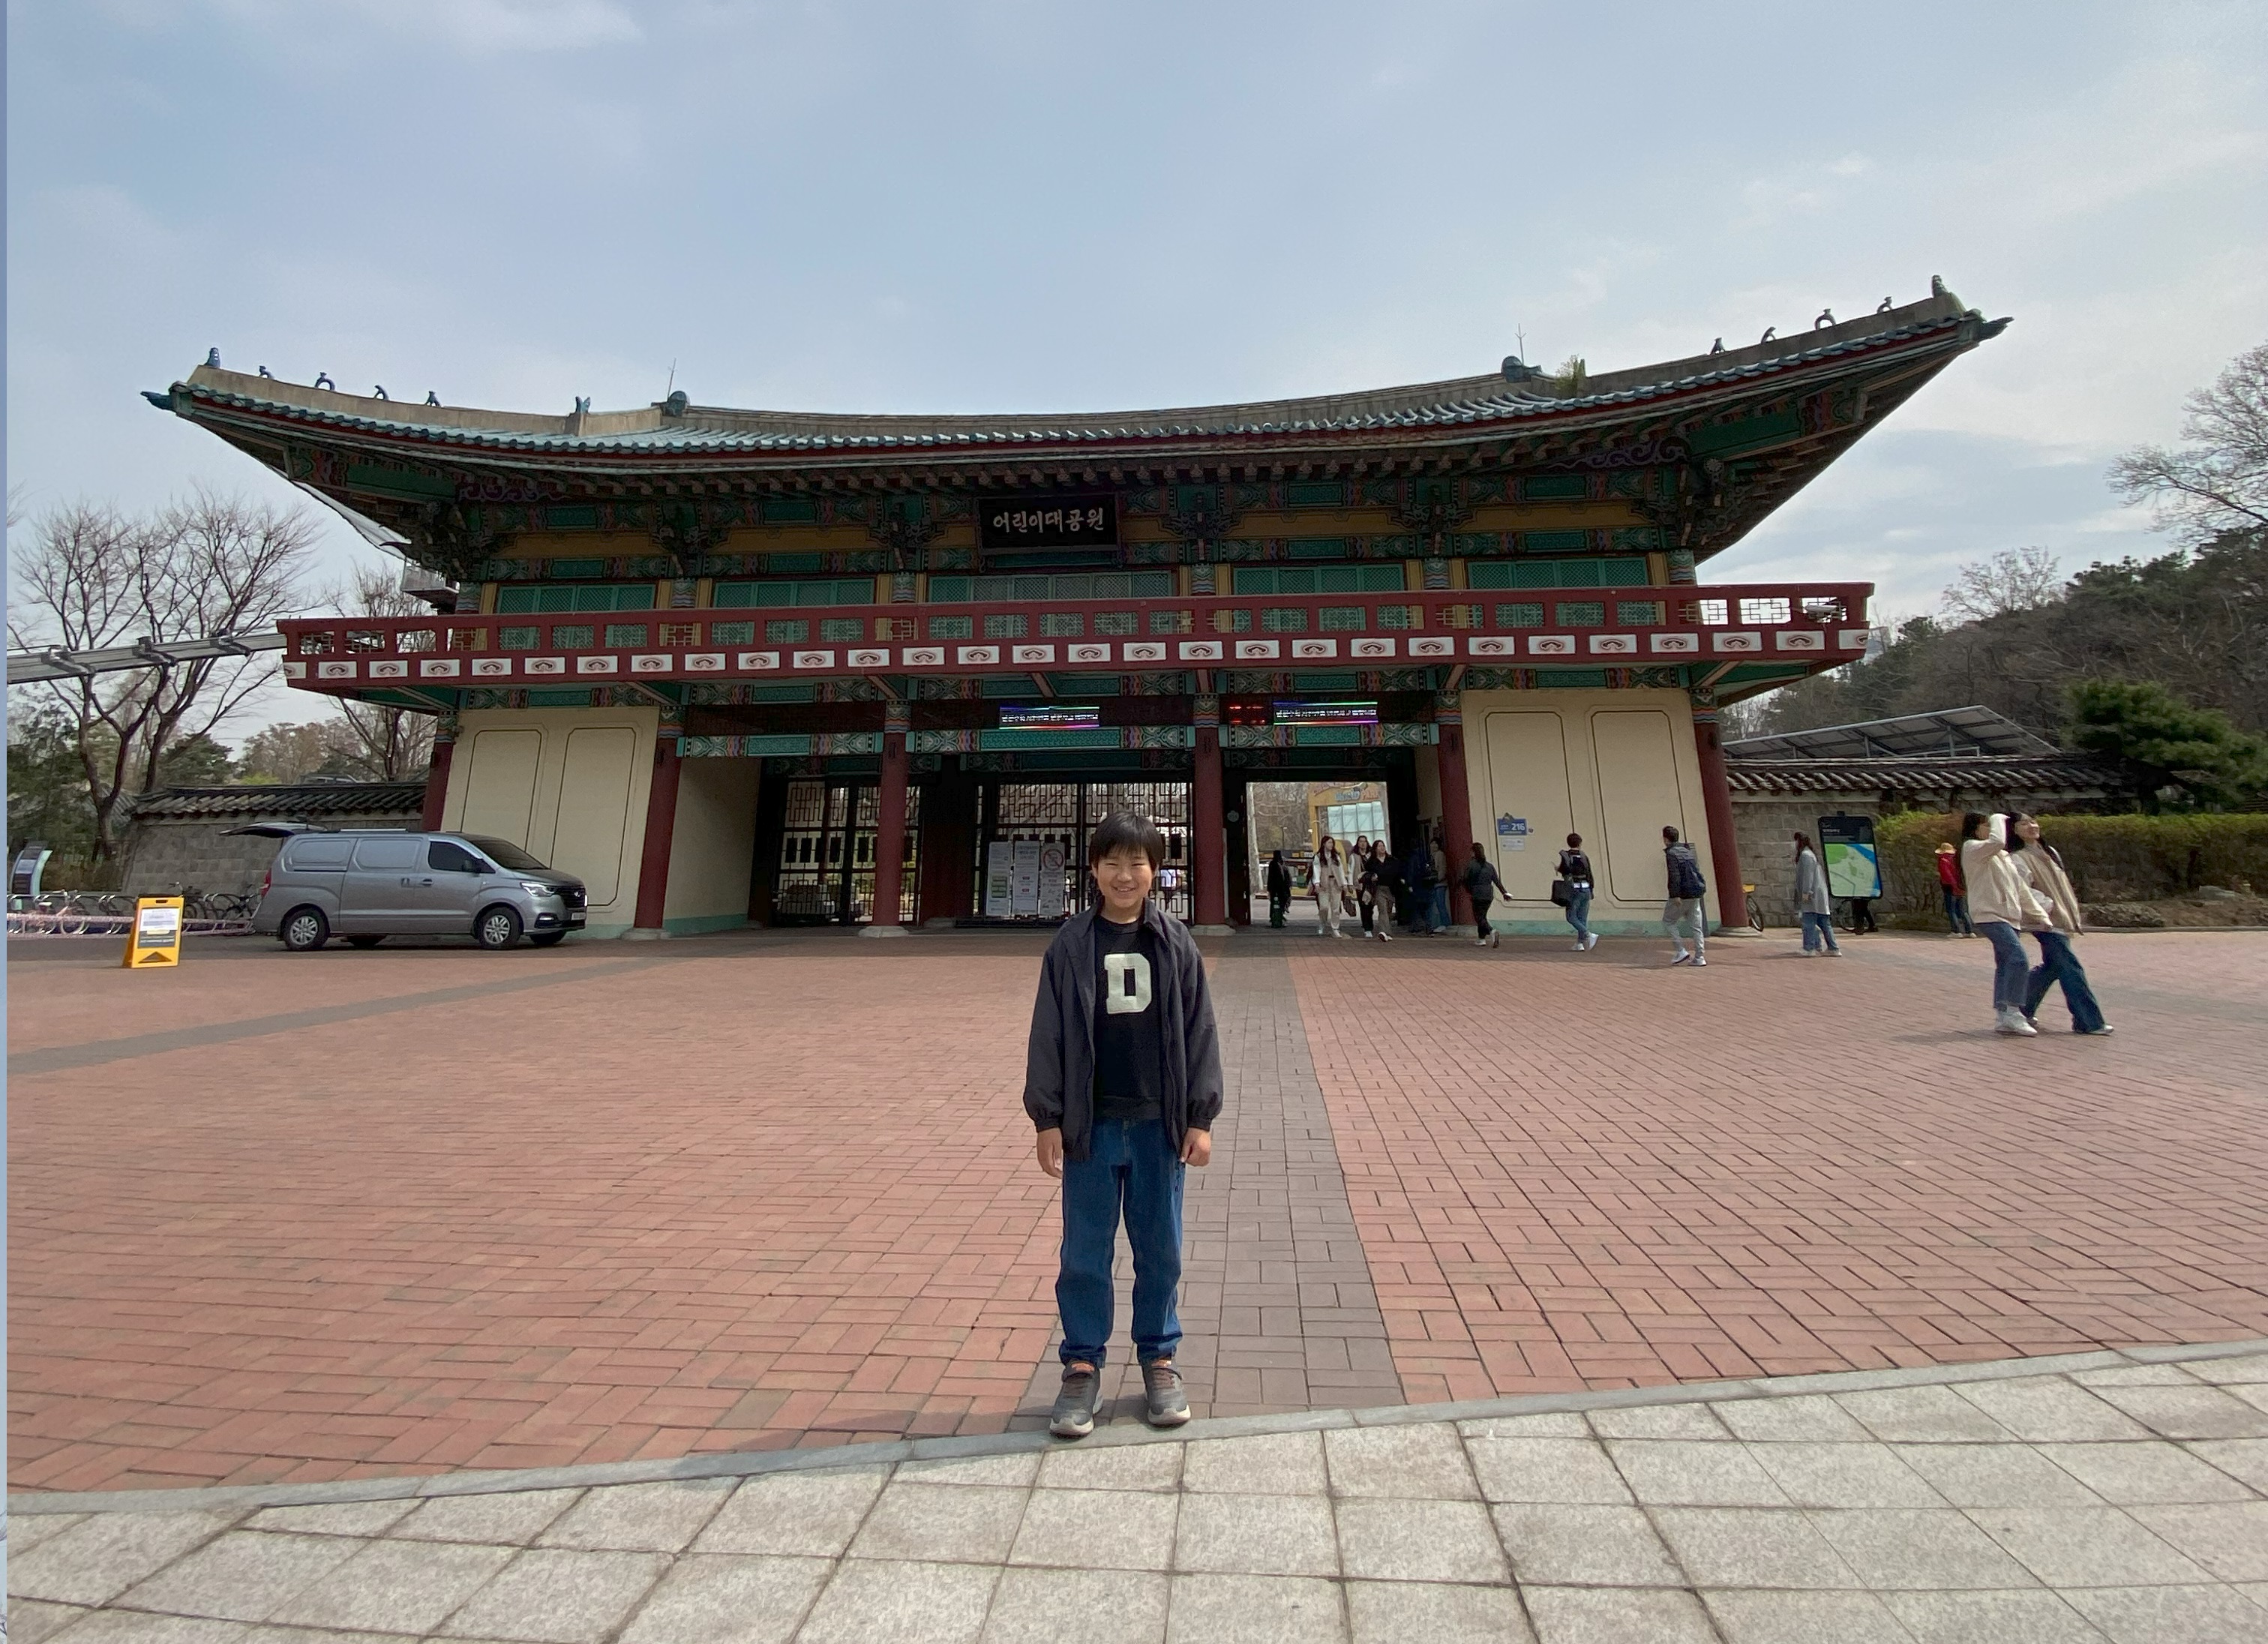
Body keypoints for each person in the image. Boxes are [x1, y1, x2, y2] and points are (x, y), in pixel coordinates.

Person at [1025, 812, 1223, 1438]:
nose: (1124, 874)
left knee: (1159, 1249)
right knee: (1084, 1252)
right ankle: (1081, 1365)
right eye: (1112, 862)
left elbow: (1200, 1031)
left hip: (1156, 1126)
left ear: (1156, 871)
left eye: (1138, 862)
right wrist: (1048, 1117)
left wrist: (1200, 1116)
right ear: (1093, 870)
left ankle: (1159, 1359)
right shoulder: (1071, 944)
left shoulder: (1173, 942)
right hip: (1091, 1126)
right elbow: (1048, 1035)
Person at [2009, 814, 2114, 1035]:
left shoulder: (2049, 852)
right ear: (2013, 831)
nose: (2031, 826)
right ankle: (2088, 1021)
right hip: (2046, 923)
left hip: (2061, 920)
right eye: (2023, 824)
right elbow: (2023, 890)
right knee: (2071, 969)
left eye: (2033, 821)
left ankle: (2019, 1010)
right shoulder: (2018, 858)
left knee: (2053, 968)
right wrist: (2046, 908)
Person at [1960, 811, 2053, 1037]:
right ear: (1975, 829)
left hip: (2010, 916)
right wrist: (1999, 818)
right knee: (2018, 958)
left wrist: (2040, 915)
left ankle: (2003, 1014)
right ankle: (2013, 1011)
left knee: (2005, 963)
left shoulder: (2002, 856)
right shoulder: (1972, 848)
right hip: (1989, 915)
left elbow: (2020, 890)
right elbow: (1998, 840)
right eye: (1986, 825)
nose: (1991, 829)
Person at [1661, 824, 1708, 966]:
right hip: (1696, 892)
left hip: (1682, 894)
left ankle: (1680, 950)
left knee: (1668, 921)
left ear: (1665, 839)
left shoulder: (1671, 854)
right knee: (1696, 926)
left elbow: (1674, 875)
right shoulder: (1687, 852)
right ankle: (1700, 957)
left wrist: (1675, 895)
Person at [1792, 831, 1843, 957]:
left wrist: (1806, 894)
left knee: (1808, 921)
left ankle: (1809, 948)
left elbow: (1808, 877)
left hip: (1812, 895)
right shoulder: (1811, 855)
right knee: (1824, 922)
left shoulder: (1806, 856)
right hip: (1818, 896)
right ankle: (1832, 947)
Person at [1462, 842, 1508, 948]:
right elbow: (1497, 881)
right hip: (1488, 894)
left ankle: (1492, 931)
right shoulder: (1489, 866)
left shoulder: (1471, 865)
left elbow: (1465, 879)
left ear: (1473, 852)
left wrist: (1470, 890)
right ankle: (1481, 938)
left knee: (1479, 917)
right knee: (1483, 916)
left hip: (1477, 893)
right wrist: (1505, 893)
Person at [1557, 832, 1597, 951]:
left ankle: (1588, 934)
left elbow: (1565, 871)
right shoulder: (1584, 856)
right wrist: (1592, 889)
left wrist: (1558, 869)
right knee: (1582, 917)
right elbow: (1590, 874)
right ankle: (1580, 944)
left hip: (1574, 890)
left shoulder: (1566, 856)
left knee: (1571, 916)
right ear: (1580, 843)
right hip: (1586, 889)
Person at [1311, 836, 1351, 938]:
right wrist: (1317, 883)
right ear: (1324, 844)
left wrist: (1344, 883)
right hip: (1324, 884)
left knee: (1336, 908)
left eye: (1332, 843)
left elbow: (1341, 871)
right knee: (1324, 907)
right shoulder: (1319, 857)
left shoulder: (1336, 857)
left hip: (1336, 884)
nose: (1331, 845)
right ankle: (1322, 924)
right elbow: (1316, 870)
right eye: (1329, 843)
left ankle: (1335, 928)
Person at [1934, 842, 1974, 937]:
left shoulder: (1943, 860)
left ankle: (1956, 931)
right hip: (1961, 886)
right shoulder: (1957, 860)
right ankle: (1969, 931)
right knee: (1963, 910)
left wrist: (1953, 886)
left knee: (1951, 910)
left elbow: (1947, 875)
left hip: (1950, 887)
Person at [1361, 840, 1398, 941]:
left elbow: (1398, 873)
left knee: (1389, 910)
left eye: (1383, 845)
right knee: (1383, 910)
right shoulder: (1371, 862)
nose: (1382, 848)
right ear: (1375, 849)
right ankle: (1384, 932)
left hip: (1391, 888)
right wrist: (1372, 877)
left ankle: (1387, 930)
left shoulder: (1392, 860)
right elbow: (1366, 874)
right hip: (1379, 888)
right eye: (1379, 846)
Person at [1403, 837, 1438, 935]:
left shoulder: (1413, 857)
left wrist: (1409, 884)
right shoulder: (1427, 855)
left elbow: (1410, 871)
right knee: (1428, 907)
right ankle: (1429, 926)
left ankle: (1417, 927)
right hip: (1427, 884)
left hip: (1417, 884)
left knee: (1417, 907)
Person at [1427, 830, 1452, 933]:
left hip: (1439, 883)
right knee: (1436, 904)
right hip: (1434, 883)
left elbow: (1442, 868)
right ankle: (1437, 924)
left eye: (1435, 843)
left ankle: (1445, 923)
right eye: (1432, 843)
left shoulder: (1440, 855)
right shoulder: (1431, 855)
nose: (1433, 845)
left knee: (1440, 904)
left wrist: (1438, 878)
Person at [1352, 836, 1375, 936]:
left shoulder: (1371, 855)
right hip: (1360, 883)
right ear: (1358, 843)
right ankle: (1367, 928)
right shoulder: (1354, 856)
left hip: (1371, 883)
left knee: (1370, 906)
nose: (1363, 843)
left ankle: (1370, 924)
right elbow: (1351, 870)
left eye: (1365, 841)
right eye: (1361, 842)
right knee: (1363, 906)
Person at [1265, 850, 1292, 929]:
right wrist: (1270, 889)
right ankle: (1275, 917)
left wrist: (1289, 885)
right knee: (1275, 903)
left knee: (1283, 901)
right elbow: (1271, 877)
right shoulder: (1273, 864)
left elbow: (1287, 875)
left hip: (1283, 888)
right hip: (1276, 888)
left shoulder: (1283, 864)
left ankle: (1281, 914)